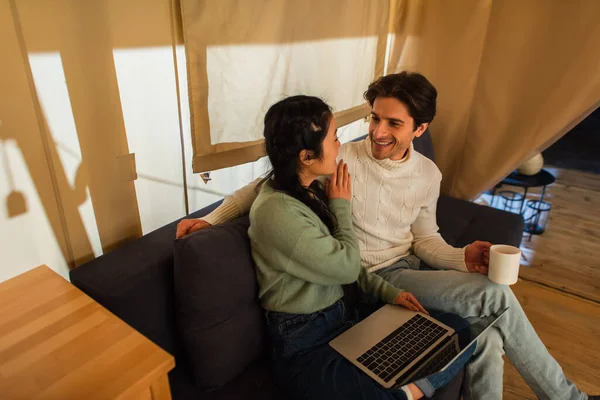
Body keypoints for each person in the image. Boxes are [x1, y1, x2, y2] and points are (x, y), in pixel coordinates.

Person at [177, 73, 597, 400]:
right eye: (374, 118)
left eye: (393, 123)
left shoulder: (427, 174)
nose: (377, 132)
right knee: (496, 297)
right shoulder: (341, 160)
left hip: (409, 268)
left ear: (420, 128)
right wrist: (214, 219)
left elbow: (425, 239)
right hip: (374, 277)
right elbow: (266, 185)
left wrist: (460, 257)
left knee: (485, 329)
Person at [243, 95, 471, 400]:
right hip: (305, 346)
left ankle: (404, 392)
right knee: (382, 392)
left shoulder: (309, 189)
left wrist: (390, 293)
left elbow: (347, 269)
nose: (340, 145)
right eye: (334, 138)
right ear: (306, 156)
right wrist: (341, 207)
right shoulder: (277, 213)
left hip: (347, 318)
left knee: (458, 332)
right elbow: (348, 266)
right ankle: (404, 395)